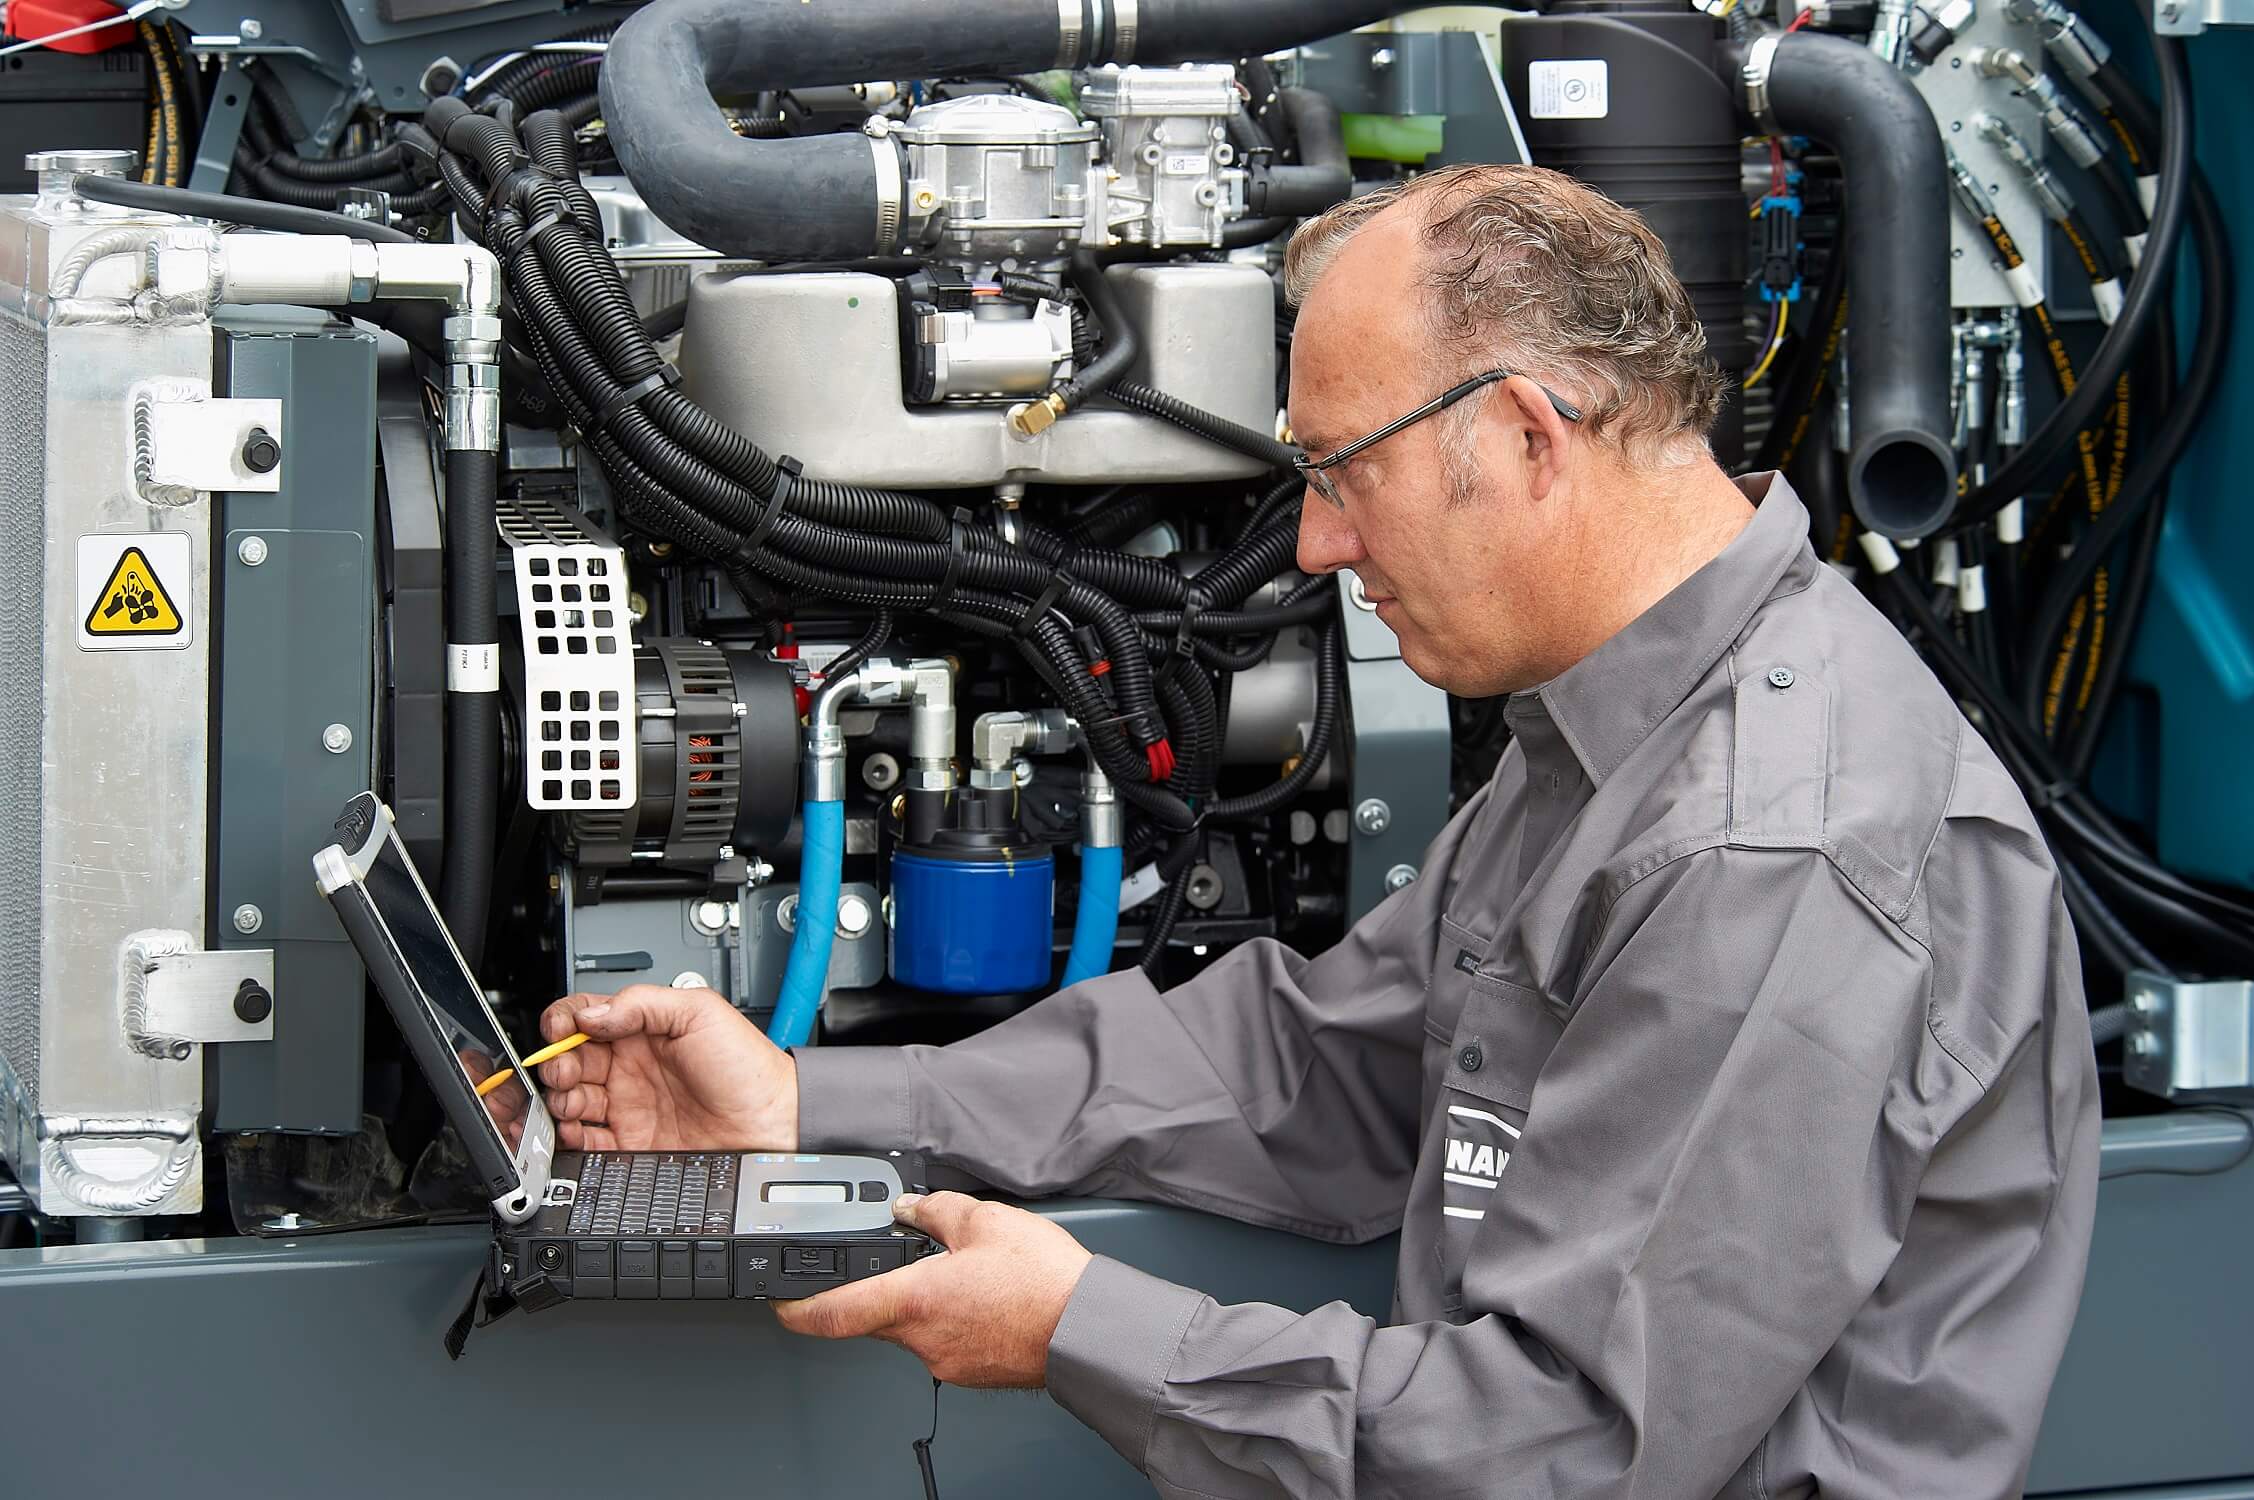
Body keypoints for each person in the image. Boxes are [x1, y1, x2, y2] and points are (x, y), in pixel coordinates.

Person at [535, 164, 2100, 1498]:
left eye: (1345, 470)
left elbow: (1564, 1447)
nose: (1313, 542)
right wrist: (814, 1099)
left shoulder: (1766, 849)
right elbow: (1322, 1061)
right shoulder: (1621, 731)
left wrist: (1077, 1326)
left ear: (1530, 439)